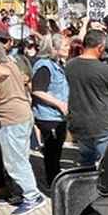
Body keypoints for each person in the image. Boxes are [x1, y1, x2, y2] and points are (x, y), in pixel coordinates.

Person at [0, 40, 46, 215]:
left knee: (15, 162)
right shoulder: (11, 63)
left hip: (11, 119)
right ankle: (21, 192)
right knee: (21, 158)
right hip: (23, 114)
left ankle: (32, 196)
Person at [66, 29, 108, 166]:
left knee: (86, 163)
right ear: (100, 47)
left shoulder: (69, 65)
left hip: (80, 124)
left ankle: (84, 185)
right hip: (103, 126)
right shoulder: (105, 70)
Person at [31, 34, 70, 188]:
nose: (68, 49)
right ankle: (52, 182)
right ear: (54, 48)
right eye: (65, 46)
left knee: (55, 150)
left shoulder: (56, 64)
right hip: (49, 116)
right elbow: (38, 90)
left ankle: (54, 177)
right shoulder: (44, 66)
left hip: (57, 115)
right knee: (52, 152)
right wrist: (59, 104)